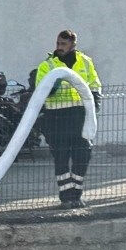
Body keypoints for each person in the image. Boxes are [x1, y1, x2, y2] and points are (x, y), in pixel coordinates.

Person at [30, 29, 102, 207]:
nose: (59, 47)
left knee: (82, 156)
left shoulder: (85, 62)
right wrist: (53, 85)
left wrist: (94, 106)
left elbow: (94, 85)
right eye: (58, 44)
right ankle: (65, 196)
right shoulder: (47, 65)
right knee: (61, 158)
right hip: (56, 118)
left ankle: (76, 194)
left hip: (79, 116)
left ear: (73, 45)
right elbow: (41, 91)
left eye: (64, 44)